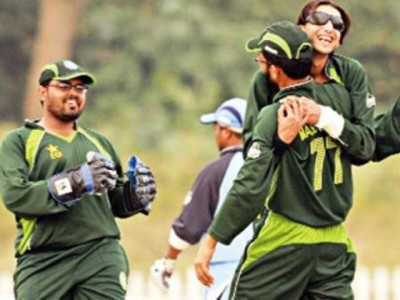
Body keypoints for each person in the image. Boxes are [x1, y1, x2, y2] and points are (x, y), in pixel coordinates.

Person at [194, 20, 375, 299]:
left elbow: (249, 186)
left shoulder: (275, 113)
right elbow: (366, 144)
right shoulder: (339, 98)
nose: (260, 66)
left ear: (275, 69)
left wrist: (211, 243)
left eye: (261, 60)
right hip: (333, 241)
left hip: (285, 238)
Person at [0, 59, 157, 300]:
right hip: (44, 259)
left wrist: (133, 195)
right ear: (42, 92)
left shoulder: (99, 142)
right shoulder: (19, 142)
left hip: (100, 254)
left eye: (80, 88)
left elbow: (114, 202)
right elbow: (16, 196)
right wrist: (74, 182)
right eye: (64, 86)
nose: (73, 93)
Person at [242, 0, 375, 158]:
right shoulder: (269, 75)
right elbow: (252, 150)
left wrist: (323, 117)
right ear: (301, 28)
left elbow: (365, 147)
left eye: (338, 24)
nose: (328, 28)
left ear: (340, 40)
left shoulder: (351, 73)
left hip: (334, 181)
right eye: (319, 18)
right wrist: (282, 139)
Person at [150, 98, 253, 299]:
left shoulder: (216, 171)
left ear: (226, 130)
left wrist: (168, 262)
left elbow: (188, 227)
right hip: (269, 269)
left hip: (227, 273)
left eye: (216, 127)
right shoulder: (268, 166)